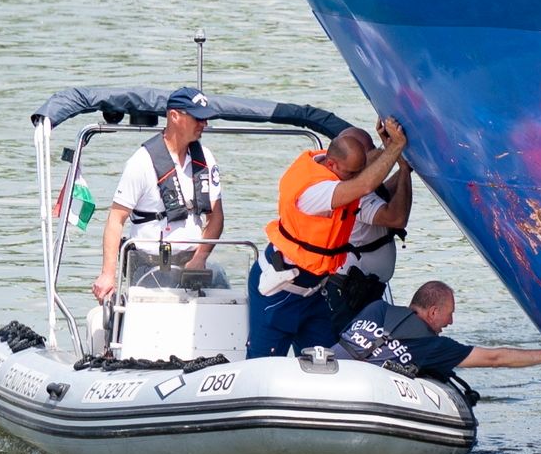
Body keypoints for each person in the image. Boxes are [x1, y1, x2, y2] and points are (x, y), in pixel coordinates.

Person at [248, 116, 409, 357]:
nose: (354, 176)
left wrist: (386, 149)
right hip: (280, 290)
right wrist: (396, 147)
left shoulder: (325, 161)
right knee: (263, 363)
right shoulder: (316, 192)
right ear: (332, 166)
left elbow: (360, 171)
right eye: (350, 173)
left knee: (328, 360)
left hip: (313, 293)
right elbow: (364, 184)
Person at [93, 86, 223, 303]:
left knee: (229, 294)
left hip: (195, 263)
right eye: (198, 118)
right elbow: (116, 220)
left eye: (206, 119)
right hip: (150, 266)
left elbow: (216, 217)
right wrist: (108, 274)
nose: (204, 124)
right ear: (174, 116)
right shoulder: (141, 162)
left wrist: (201, 257)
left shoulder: (206, 158)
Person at [333, 279, 541, 381]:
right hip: (364, 392)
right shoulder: (435, 346)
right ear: (434, 312)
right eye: (450, 313)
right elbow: (494, 358)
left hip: (329, 375)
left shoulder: (377, 308)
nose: (450, 322)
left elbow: (347, 340)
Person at [321, 128, 415, 333]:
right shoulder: (352, 192)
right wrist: (404, 171)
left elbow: (383, 192)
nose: (376, 157)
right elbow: (397, 218)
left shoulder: (353, 185)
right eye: (371, 152)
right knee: (346, 350)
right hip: (348, 292)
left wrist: (404, 166)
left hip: (363, 290)